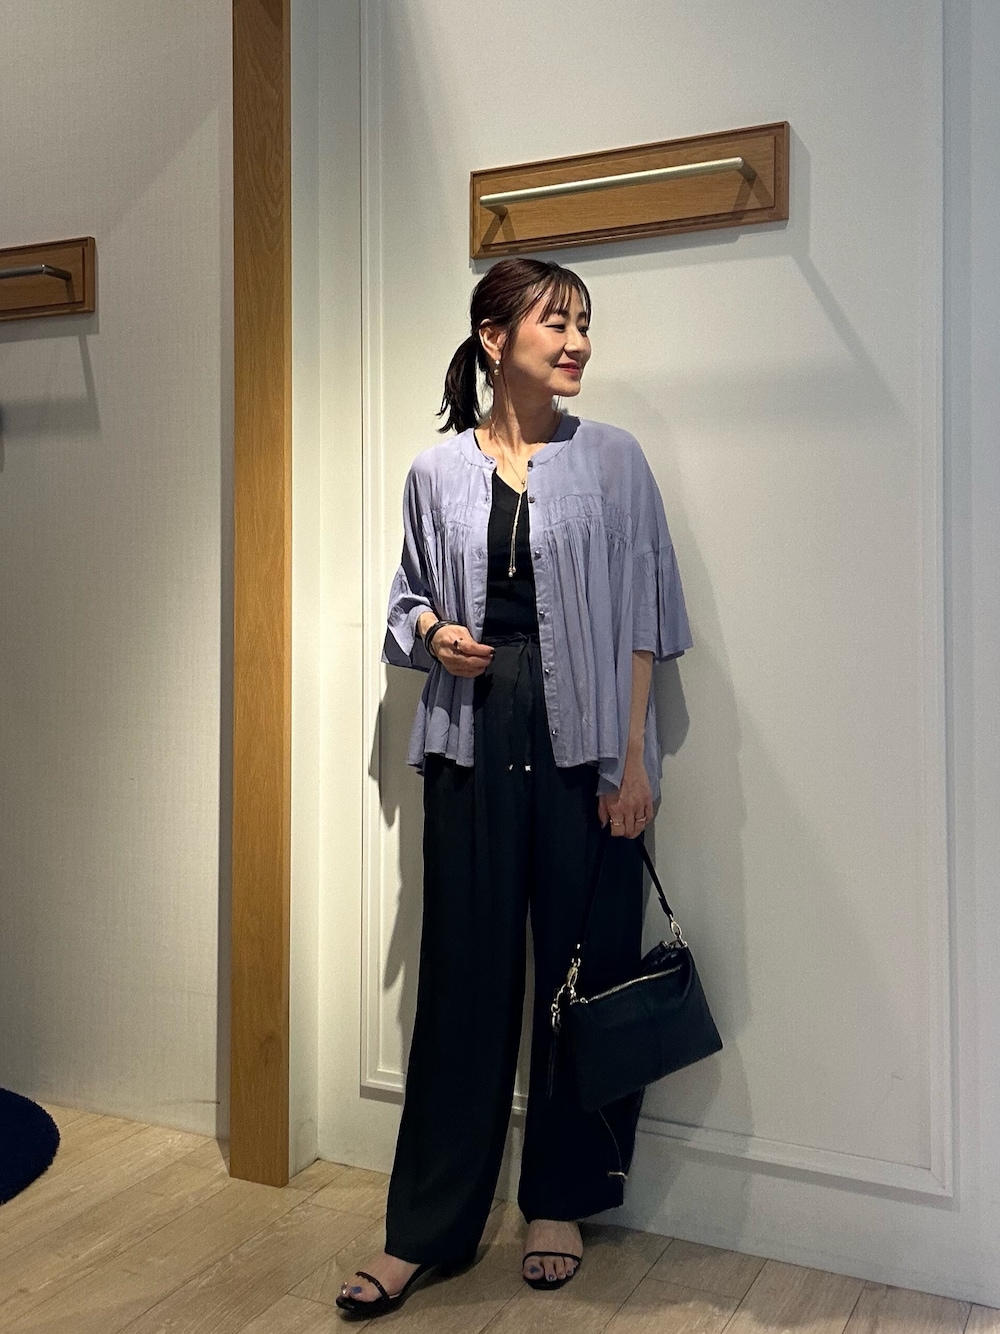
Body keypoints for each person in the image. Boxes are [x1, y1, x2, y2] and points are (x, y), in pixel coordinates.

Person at [337, 257, 692, 1317]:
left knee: (587, 974)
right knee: (463, 979)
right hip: (473, 735)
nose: (577, 342)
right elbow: (405, 598)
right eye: (555, 323)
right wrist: (434, 633)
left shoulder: (615, 459)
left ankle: (560, 1201)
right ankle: (425, 1226)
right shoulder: (434, 470)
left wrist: (634, 761)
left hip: (589, 744)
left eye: (584, 323)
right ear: (495, 339)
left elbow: (644, 616)